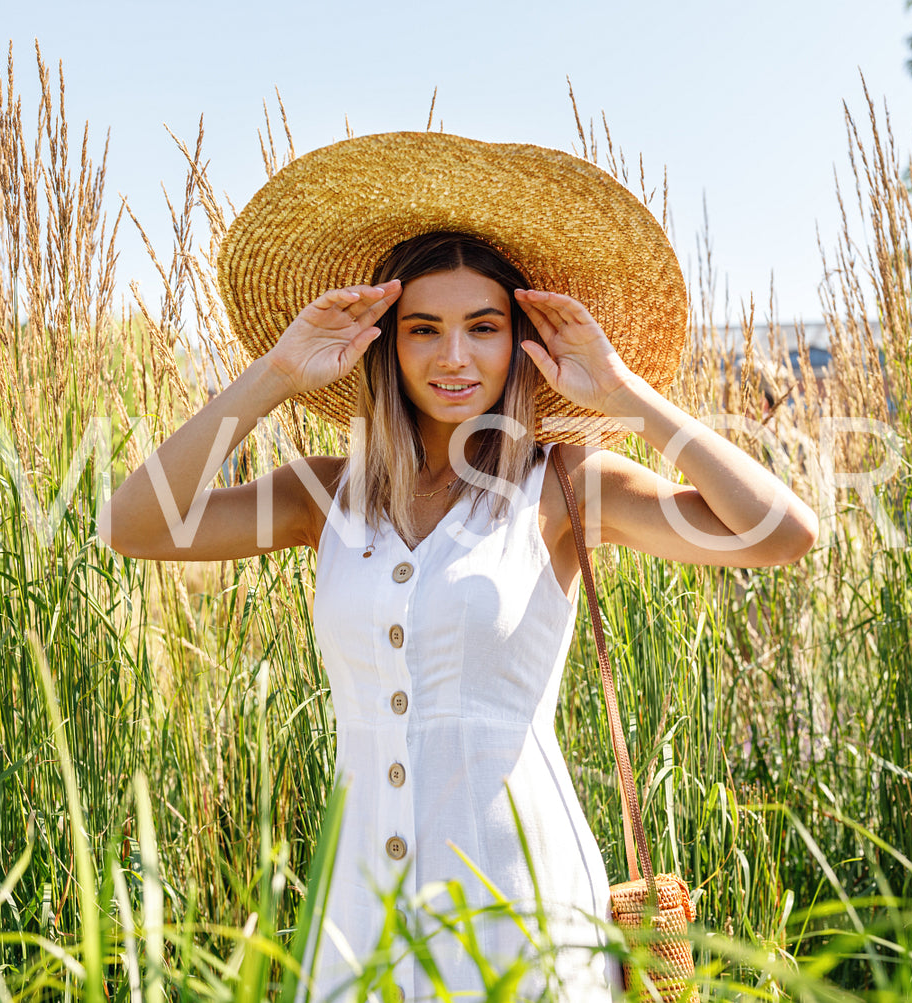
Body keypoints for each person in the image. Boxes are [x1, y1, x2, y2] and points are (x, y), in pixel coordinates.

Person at [98, 132, 819, 1002]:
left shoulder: (562, 485)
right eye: (422, 330)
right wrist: (276, 374)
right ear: (385, 347)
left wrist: (626, 396)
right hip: (356, 905)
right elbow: (135, 525)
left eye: (483, 328)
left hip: (518, 896)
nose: (452, 357)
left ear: (518, 341)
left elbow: (782, 533)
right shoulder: (323, 495)